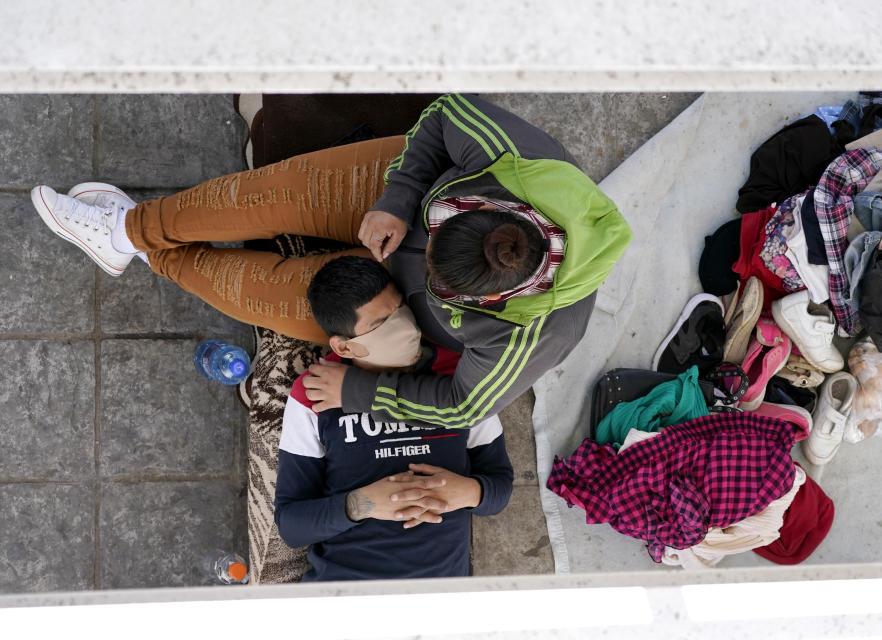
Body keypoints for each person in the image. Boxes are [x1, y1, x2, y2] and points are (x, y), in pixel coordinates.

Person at [30, 93, 631, 429]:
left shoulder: (537, 333)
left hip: (388, 314)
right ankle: (130, 227)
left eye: (444, 290)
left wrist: (363, 391)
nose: (420, 265)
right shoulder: (521, 160)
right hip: (396, 195)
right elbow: (444, 116)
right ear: (480, 202)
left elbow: (465, 407)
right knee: (268, 197)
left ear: (493, 305)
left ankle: (140, 253)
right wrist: (399, 202)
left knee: (263, 293)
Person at [274, 255, 512, 580]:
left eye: (399, 309)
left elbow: (499, 486)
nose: (403, 326)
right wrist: (362, 504)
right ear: (345, 348)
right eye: (380, 325)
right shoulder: (315, 392)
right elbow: (291, 525)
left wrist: (469, 492)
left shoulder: (459, 375)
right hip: (346, 590)